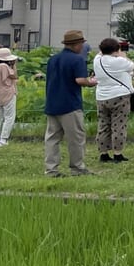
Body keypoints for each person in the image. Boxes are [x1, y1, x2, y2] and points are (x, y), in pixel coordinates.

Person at [44, 29, 97, 177]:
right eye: (81, 43)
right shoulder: (77, 59)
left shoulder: (53, 59)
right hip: (70, 105)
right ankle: (77, 168)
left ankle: (51, 170)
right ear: (76, 44)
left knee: (52, 138)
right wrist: (91, 82)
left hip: (52, 103)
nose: (82, 47)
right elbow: (80, 80)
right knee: (76, 138)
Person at [94, 37, 134, 163]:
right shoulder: (119, 61)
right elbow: (132, 65)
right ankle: (118, 153)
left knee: (103, 125)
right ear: (116, 49)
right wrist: (122, 54)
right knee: (118, 126)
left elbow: (100, 53)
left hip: (101, 96)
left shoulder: (97, 60)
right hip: (119, 96)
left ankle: (103, 153)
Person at [0, 47, 19, 146]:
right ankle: (4, 138)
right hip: (8, 93)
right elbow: (14, 75)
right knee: (9, 117)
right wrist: (14, 65)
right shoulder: (4, 66)